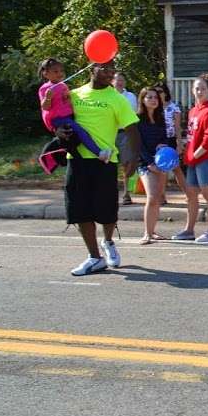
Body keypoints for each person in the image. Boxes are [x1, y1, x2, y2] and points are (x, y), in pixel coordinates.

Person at [56, 61, 140, 276]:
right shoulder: (73, 94)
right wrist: (58, 131)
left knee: (107, 210)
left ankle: (109, 241)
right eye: (104, 69)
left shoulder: (117, 99)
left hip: (105, 161)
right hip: (77, 159)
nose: (109, 73)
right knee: (80, 209)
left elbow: (132, 130)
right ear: (92, 68)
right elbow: (57, 118)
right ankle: (94, 257)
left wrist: (134, 158)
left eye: (112, 70)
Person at [172, 73, 208, 244]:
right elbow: (191, 136)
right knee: (191, 194)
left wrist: (196, 154)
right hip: (193, 159)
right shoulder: (194, 111)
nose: (199, 91)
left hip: (206, 158)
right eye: (196, 88)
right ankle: (189, 230)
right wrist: (188, 154)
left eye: (202, 88)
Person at [37, 58, 111, 162]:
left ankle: (55, 154)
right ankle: (99, 153)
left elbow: (66, 100)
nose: (60, 73)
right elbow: (45, 107)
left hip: (68, 117)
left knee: (74, 140)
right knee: (81, 132)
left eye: (61, 71)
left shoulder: (62, 85)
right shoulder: (45, 88)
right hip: (60, 119)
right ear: (46, 74)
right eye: (55, 71)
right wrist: (48, 97)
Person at [135, 86, 171, 244]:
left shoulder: (161, 118)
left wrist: (163, 145)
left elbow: (166, 139)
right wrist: (149, 163)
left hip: (161, 162)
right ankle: (146, 234)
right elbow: (138, 145)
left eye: (155, 97)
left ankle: (153, 231)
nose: (153, 100)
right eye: (149, 97)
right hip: (145, 163)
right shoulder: (137, 119)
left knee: (158, 198)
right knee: (151, 197)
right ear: (142, 100)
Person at [113, 71, 139, 205]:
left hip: (125, 132)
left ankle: (126, 193)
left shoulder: (130, 96)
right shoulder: (108, 95)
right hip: (109, 132)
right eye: (117, 79)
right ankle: (108, 193)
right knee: (109, 164)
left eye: (122, 79)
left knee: (127, 164)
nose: (119, 82)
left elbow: (132, 114)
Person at [156, 83, 187, 193]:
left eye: (160, 91)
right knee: (161, 169)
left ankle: (188, 194)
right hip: (158, 141)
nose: (158, 94)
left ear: (165, 93)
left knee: (176, 168)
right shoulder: (154, 108)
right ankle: (162, 196)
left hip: (170, 140)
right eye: (156, 92)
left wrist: (179, 143)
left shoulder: (174, 107)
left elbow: (177, 127)